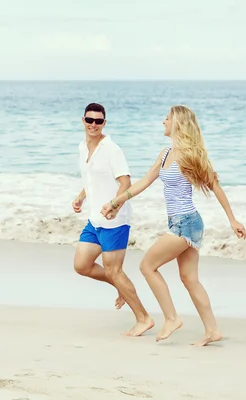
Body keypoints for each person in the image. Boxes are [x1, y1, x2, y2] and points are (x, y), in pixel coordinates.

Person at [100, 105, 246, 346]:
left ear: (177, 123)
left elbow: (215, 186)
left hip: (186, 224)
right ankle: (212, 330)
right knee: (189, 278)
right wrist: (115, 202)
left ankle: (171, 318)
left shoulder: (192, 155)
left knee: (148, 266)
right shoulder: (166, 153)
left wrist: (232, 219)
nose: (163, 122)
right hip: (182, 223)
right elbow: (145, 182)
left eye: (167, 119)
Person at [72, 102, 154, 337]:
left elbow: (125, 181)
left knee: (114, 270)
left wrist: (116, 206)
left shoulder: (111, 149)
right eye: (90, 120)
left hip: (115, 220)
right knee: (82, 265)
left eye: (98, 121)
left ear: (104, 123)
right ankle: (122, 287)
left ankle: (144, 318)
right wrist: (80, 197)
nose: (93, 125)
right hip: (95, 218)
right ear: (83, 121)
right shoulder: (82, 147)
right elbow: (92, 180)